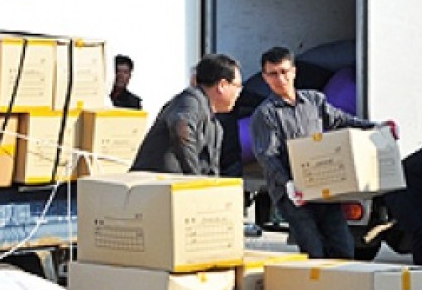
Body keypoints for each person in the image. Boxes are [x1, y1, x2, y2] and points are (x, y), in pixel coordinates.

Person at [250, 46, 397, 259]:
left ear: (294, 72)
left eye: (284, 71)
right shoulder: (265, 115)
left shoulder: (314, 101)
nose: (280, 78)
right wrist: (288, 184)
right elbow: (268, 155)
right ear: (265, 78)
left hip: (323, 187)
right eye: (273, 74)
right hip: (294, 195)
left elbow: (341, 120)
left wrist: (376, 127)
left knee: (343, 247)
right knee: (314, 252)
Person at [130, 53, 242, 175]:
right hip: (151, 188)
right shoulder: (191, 100)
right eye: (237, 86)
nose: (239, 92)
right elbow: (181, 127)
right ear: (222, 85)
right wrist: (193, 176)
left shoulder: (216, 126)